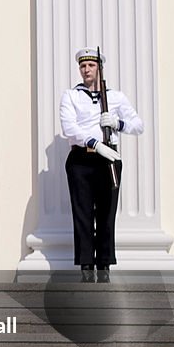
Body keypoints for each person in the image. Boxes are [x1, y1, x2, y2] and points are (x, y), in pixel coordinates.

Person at [59, 48, 143, 283]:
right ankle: (86, 265)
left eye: (91, 66)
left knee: (107, 213)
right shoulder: (71, 96)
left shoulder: (115, 97)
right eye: (83, 66)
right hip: (82, 159)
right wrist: (94, 142)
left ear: (99, 68)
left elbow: (138, 125)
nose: (86, 70)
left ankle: (104, 264)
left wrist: (118, 123)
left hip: (108, 160)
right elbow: (69, 128)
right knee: (83, 213)